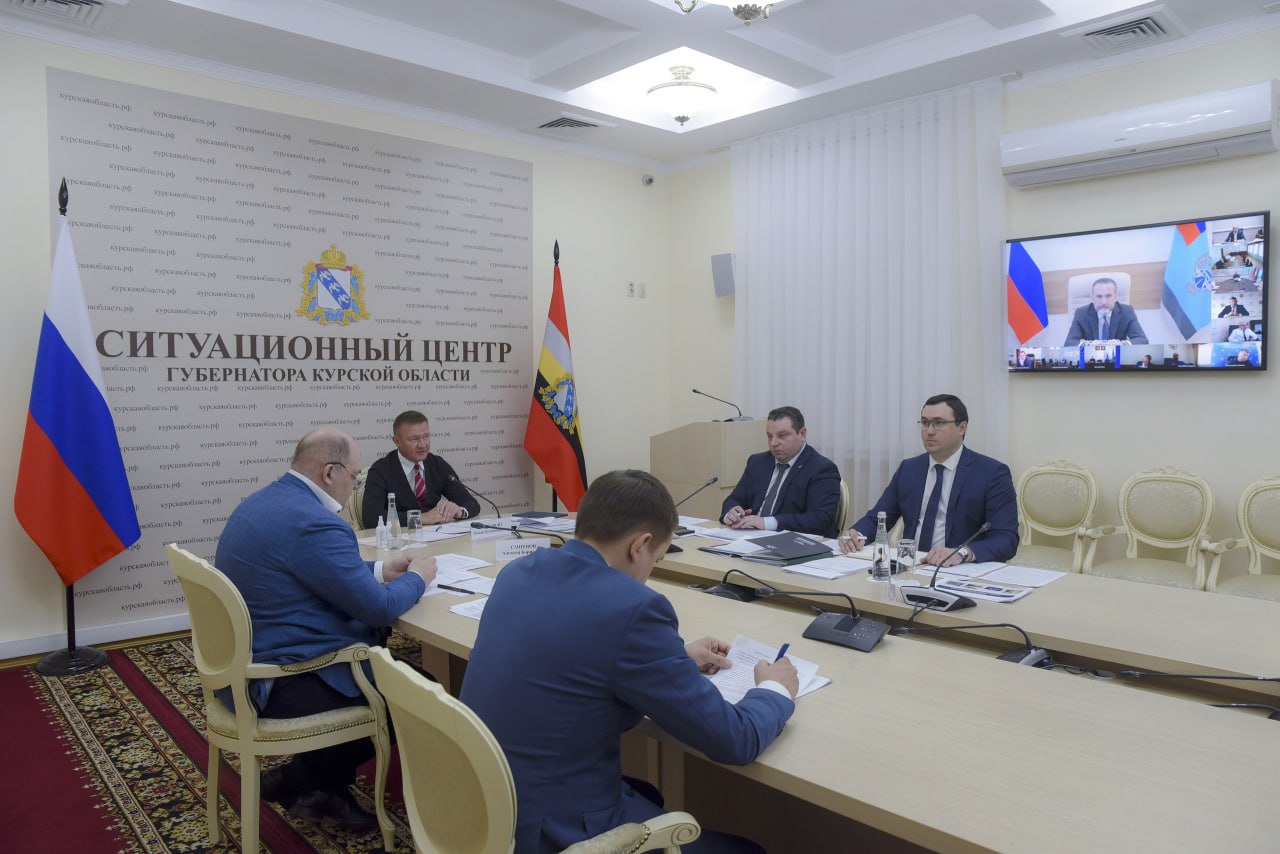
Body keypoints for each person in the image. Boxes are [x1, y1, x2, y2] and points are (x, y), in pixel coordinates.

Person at [461, 470, 798, 854]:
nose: (649, 573)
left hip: (486, 806)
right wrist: (774, 689)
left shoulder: (518, 572)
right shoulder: (634, 608)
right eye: (656, 559)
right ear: (640, 545)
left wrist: (674, 659)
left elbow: (574, 659)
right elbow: (735, 741)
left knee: (647, 793)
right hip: (551, 833)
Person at [215, 427, 436, 830]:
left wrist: (379, 569)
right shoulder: (315, 523)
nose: (355, 486)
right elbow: (380, 609)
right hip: (280, 679)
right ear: (330, 472)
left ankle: (310, 784)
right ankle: (306, 782)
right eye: (355, 477)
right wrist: (419, 576)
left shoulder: (264, 501)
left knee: (401, 677)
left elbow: (310, 567)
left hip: (243, 662)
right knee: (422, 691)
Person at [838, 394, 1018, 567]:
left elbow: (1006, 538)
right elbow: (878, 518)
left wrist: (962, 553)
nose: (929, 431)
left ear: (962, 428)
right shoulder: (909, 469)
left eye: (939, 423)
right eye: (925, 423)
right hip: (910, 566)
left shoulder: (991, 473)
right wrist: (857, 535)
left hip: (958, 570)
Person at [720, 406, 841, 537]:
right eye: (769, 436)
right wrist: (731, 513)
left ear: (802, 434)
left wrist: (766, 523)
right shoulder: (757, 462)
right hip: (748, 536)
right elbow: (734, 499)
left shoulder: (822, 469)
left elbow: (820, 518)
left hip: (793, 541)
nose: (773, 443)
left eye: (782, 436)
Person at [361, 409, 480, 528]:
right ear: (397, 441)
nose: (422, 445)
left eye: (426, 437)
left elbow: (471, 503)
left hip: (435, 536)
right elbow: (371, 517)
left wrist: (459, 512)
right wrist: (420, 518)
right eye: (414, 439)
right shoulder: (381, 470)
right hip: (398, 537)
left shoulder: (437, 464)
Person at [1063, 277, 1148, 346]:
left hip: (1117, 358)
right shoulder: (1081, 313)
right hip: (1092, 359)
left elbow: (1142, 340)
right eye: (1099, 296)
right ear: (1092, 297)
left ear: (1115, 296)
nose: (1103, 302)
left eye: (1108, 296)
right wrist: (1089, 344)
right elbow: (1069, 342)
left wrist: (1121, 344)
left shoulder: (1127, 311)